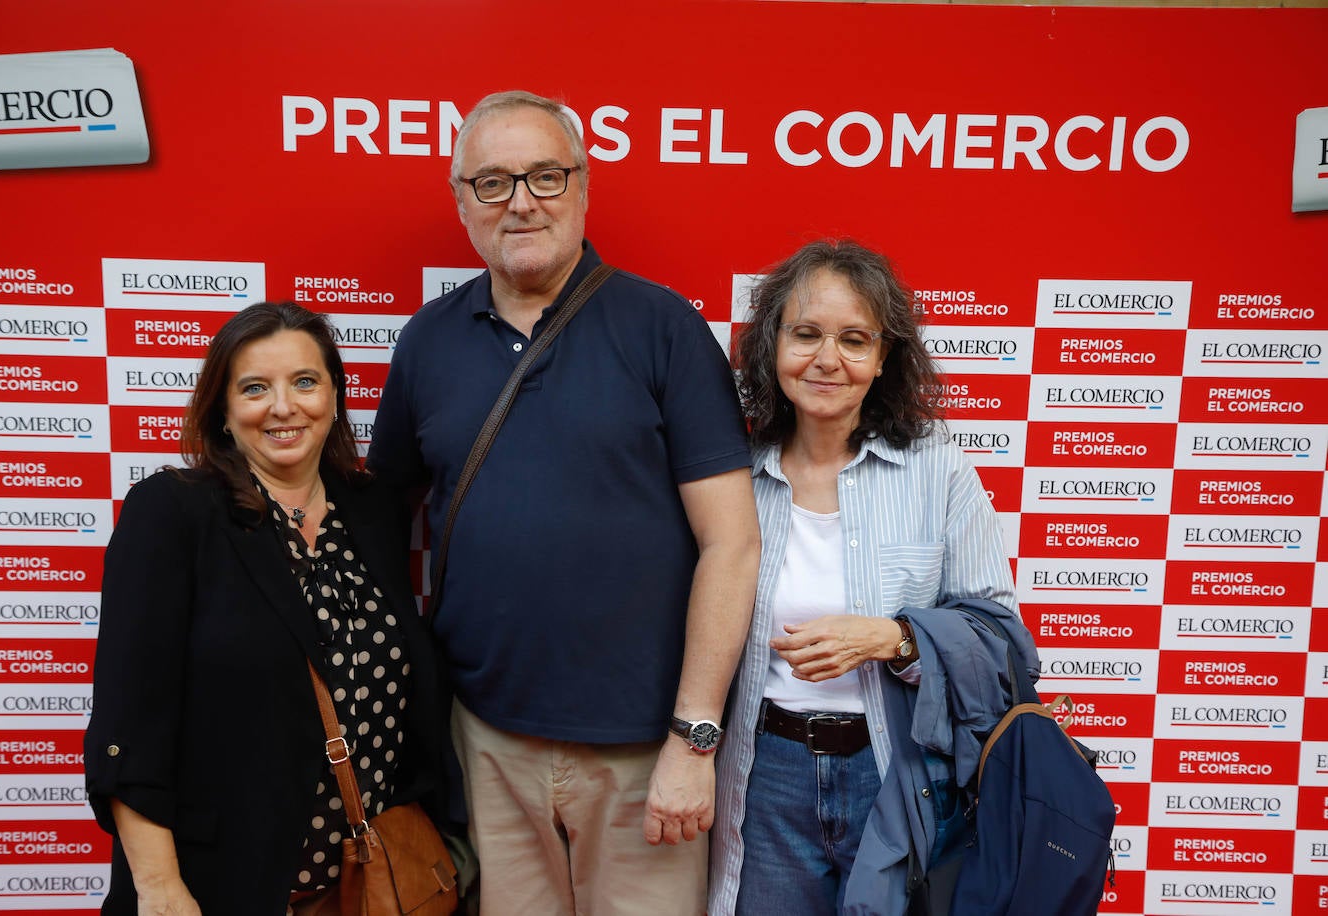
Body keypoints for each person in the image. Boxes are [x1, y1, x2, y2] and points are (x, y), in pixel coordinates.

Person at [368, 89, 760, 915]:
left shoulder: (663, 329)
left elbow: (732, 542)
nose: (521, 201)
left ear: (584, 186)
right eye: (494, 182)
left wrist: (695, 740)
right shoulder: (427, 341)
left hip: (644, 751)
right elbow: (380, 518)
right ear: (461, 202)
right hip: (485, 741)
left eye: (545, 176)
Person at [84, 302, 449, 915]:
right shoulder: (173, 513)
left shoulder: (371, 510)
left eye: (305, 381)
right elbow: (130, 721)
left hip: (368, 889)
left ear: (334, 395)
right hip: (220, 887)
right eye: (255, 388)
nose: (284, 406)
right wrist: (160, 887)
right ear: (223, 411)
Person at [708, 240, 1035, 915]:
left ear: (884, 358)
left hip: (898, 775)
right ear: (772, 345)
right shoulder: (730, 472)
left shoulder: (936, 470)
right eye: (806, 334)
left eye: (854, 339)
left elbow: (1005, 646)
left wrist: (894, 638)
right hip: (766, 771)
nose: (828, 359)